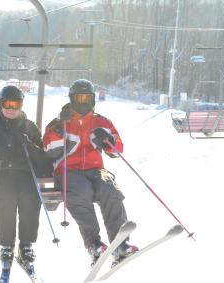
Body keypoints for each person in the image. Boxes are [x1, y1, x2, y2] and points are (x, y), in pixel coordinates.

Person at [42, 79, 138, 267]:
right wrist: (60, 129)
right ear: (72, 99)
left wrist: (108, 140)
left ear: (93, 99)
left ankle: (120, 244)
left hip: (95, 170)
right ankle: (93, 244)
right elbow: (48, 149)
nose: (83, 101)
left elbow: (117, 150)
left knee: (110, 189)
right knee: (81, 190)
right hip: (68, 171)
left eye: (87, 97)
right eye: (80, 97)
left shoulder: (101, 122)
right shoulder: (59, 122)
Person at [0, 85, 52, 282]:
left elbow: (42, 157)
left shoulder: (30, 127)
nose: (10, 108)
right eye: (7, 104)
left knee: (30, 197)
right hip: (2, 172)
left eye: (15, 104)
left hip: (25, 172)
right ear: (1, 104)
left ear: (20, 105)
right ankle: (7, 245)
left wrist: (31, 147)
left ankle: (25, 245)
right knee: (6, 197)